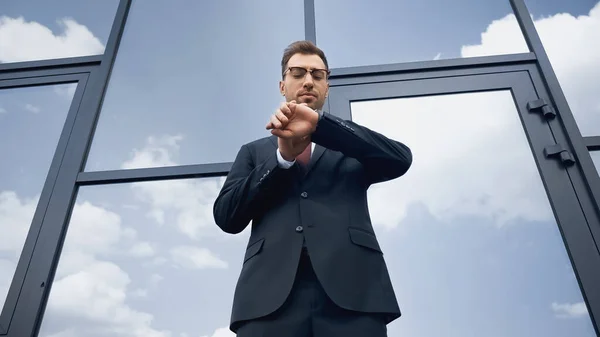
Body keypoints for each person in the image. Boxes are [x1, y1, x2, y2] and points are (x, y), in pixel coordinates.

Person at [213, 40, 412, 337]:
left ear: (327, 87)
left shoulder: (350, 145)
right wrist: (282, 158)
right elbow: (226, 217)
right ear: (283, 85)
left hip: (355, 297)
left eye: (318, 75)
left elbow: (400, 158)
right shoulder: (254, 152)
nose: (308, 80)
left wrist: (321, 125)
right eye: (298, 73)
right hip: (266, 302)